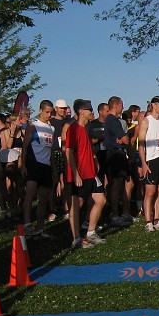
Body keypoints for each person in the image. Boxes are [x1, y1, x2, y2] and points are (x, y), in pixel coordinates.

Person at [65, 99, 106, 248]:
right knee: (77, 204)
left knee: (101, 200)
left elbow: (87, 148)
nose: (92, 112)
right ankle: (76, 239)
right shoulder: (73, 129)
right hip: (80, 173)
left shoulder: (85, 129)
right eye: (89, 110)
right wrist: (76, 174)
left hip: (91, 172)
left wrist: (94, 159)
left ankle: (90, 232)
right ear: (81, 112)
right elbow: (69, 152)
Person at [19, 100, 55, 236]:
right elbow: (25, 146)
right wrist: (23, 165)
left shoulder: (51, 128)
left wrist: (54, 169)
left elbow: (50, 150)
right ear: (40, 111)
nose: (49, 115)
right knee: (30, 194)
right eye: (47, 112)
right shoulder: (33, 126)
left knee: (44, 197)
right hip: (33, 164)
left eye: (51, 112)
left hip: (46, 166)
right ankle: (27, 224)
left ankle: (40, 228)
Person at [137, 96, 159, 231]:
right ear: (154, 105)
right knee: (150, 191)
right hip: (151, 159)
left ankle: (157, 219)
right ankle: (148, 221)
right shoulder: (146, 121)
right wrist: (144, 163)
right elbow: (141, 143)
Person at [104, 96, 133, 226]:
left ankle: (125, 213)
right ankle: (115, 215)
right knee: (116, 184)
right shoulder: (113, 120)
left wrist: (121, 139)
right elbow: (126, 140)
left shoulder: (110, 120)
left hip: (118, 154)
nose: (122, 108)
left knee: (126, 183)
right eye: (121, 105)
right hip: (115, 154)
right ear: (116, 105)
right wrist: (123, 139)